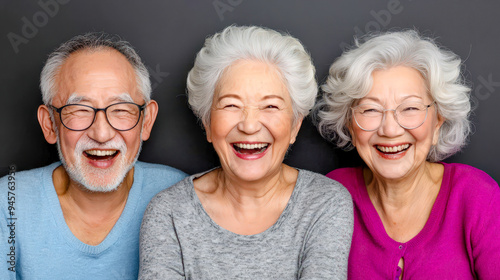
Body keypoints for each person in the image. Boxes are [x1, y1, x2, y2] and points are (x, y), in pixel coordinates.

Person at [139, 25, 353, 279]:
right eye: (231, 104)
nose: (249, 126)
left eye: (270, 105)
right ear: (207, 123)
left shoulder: (323, 203)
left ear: (295, 125)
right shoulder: (170, 212)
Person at [314, 30, 500, 279]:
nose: (390, 130)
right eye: (370, 109)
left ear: (437, 123)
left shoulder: (477, 196)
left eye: (410, 108)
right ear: (350, 124)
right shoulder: (333, 194)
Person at [0, 32, 186, 279]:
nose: (101, 133)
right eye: (79, 109)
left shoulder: (181, 196)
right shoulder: (8, 204)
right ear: (49, 124)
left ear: (146, 121)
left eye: (121, 109)